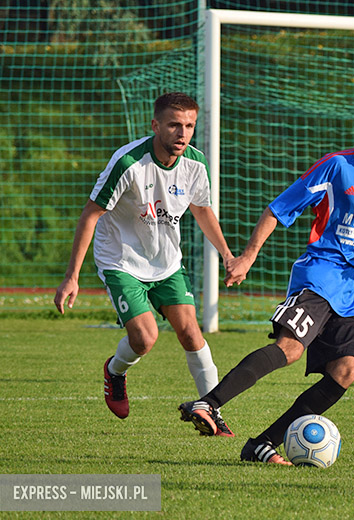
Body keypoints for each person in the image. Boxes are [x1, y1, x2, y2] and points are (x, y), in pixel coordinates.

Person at [178, 92, 354, 465]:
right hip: (319, 277)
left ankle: (262, 444)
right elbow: (279, 207)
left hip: (351, 293)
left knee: (345, 371)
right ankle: (208, 403)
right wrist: (247, 257)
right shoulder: (337, 167)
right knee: (290, 348)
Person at [54, 92, 236, 436]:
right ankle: (115, 371)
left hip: (166, 263)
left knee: (190, 332)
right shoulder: (128, 163)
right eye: (173, 125)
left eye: (189, 126)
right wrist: (71, 277)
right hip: (121, 260)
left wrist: (227, 254)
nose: (182, 133)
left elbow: (202, 210)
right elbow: (91, 215)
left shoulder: (196, 164)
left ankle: (212, 409)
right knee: (145, 338)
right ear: (155, 126)